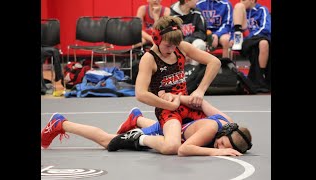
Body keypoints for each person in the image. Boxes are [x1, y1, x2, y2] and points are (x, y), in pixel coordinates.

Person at [108, 16, 222, 155]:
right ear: (156, 39)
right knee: (172, 147)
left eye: (175, 45)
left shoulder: (181, 48)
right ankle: (139, 137)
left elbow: (214, 62)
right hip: (167, 109)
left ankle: (137, 119)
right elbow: (141, 93)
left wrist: (200, 90)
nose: (172, 49)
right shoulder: (149, 59)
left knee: (221, 129)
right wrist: (169, 105)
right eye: (168, 45)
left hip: (186, 104)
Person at [41, 95, 252, 156]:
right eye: (224, 144)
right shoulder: (211, 130)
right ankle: (62, 124)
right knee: (108, 141)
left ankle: (136, 119)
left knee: (173, 130)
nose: (222, 148)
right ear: (225, 132)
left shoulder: (228, 123)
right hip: (170, 127)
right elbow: (184, 149)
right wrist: (217, 154)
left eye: (227, 148)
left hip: (176, 124)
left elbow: (203, 103)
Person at [230, 0, 271, 92]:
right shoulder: (239, 10)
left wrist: (249, 37)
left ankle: (261, 75)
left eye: (244, 0)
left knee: (264, 43)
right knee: (239, 6)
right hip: (242, 41)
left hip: (256, 39)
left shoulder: (262, 10)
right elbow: (230, 27)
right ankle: (237, 38)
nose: (241, 1)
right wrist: (231, 39)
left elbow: (265, 28)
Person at [170, 0, 207, 66]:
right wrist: (185, 45)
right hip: (178, 44)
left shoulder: (197, 12)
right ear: (186, 1)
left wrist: (188, 43)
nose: (197, 1)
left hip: (193, 43)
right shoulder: (171, 15)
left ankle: (193, 70)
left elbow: (202, 33)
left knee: (200, 44)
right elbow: (172, 36)